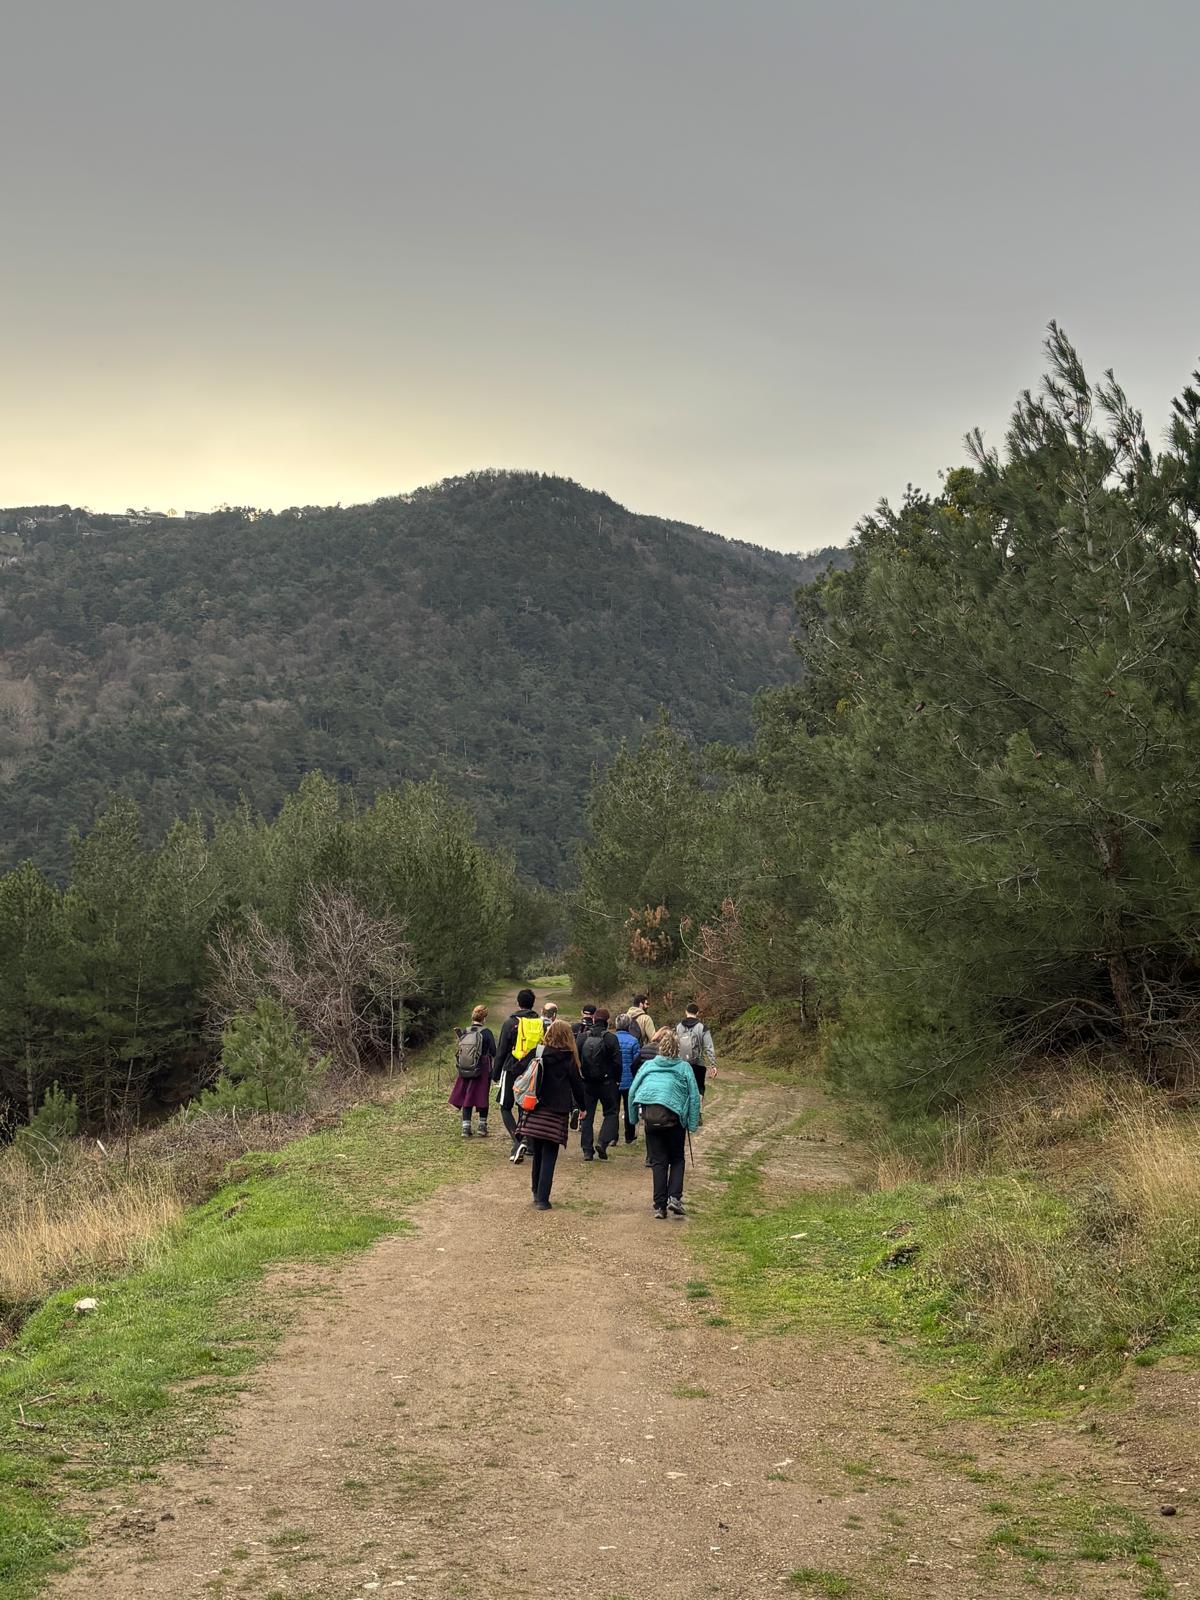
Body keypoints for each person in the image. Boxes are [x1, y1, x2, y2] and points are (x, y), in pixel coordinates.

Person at [628, 1026, 701, 1219]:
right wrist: (692, 1124)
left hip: (652, 1119)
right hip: (674, 1120)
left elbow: (632, 1092)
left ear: (660, 1048)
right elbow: (694, 1097)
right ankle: (674, 1198)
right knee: (677, 1158)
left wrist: (633, 1118)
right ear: (677, 1049)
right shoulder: (684, 1067)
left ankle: (659, 1206)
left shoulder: (648, 1066)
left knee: (658, 1161)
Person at [516, 1020, 586, 1209]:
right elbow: (577, 1085)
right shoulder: (569, 1058)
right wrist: (583, 1106)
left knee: (537, 1152)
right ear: (567, 1036)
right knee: (549, 1154)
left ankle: (535, 1193)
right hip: (557, 1112)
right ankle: (543, 1199)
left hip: (536, 1108)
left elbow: (519, 1069)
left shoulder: (538, 1052)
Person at [493, 988, 542, 1160]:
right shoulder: (540, 1022)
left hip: (512, 1067)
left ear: (518, 1002)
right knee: (526, 1106)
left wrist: (495, 1073)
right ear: (532, 1004)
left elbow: (501, 1050)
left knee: (505, 1106)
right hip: (533, 1069)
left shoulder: (510, 1023)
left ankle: (517, 1139)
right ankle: (530, 1143)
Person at [577, 1007, 622, 1160]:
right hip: (607, 1082)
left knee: (587, 1115)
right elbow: (617, 1062)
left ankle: (587, 1150)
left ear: (594, 1020)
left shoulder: (583, 1037)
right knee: (611, 1113)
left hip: (587, 1083)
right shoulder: (611, 1038)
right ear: (608, 1022)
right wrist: (617, 1079)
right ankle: (602, 1143)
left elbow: (576, 1060)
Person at [450, 1004, 496, 1137]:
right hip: (482, 1067)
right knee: (482, 1095)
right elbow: (493, 1051)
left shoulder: (465, 1031)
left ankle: (466, 1127)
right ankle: (482, 1126)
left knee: (467, 1095)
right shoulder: (487, 1032)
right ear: (484, 1018)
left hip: (465, 1067)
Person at [675, 1003, 717, 1107]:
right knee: (699, 1088)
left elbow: (675, 1045)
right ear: (697, 1013)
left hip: (682, 1063)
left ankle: (684, 1113)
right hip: (698, 1063)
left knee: (684, 1088)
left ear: (686, 1011)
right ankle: (697, 1113)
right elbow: (709, 1047)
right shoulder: (702, 1027)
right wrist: (713, 1064)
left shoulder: (679, 1027)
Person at [614, 1012, 642, 1144]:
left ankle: (613, 1136)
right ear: (628, 1026)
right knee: (629, 1108)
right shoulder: (633, 1041)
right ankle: (629, 1135)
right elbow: (637, 1061)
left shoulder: (611, 1039)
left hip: (614, 1079)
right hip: (629, 1079)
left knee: (613, 1109)